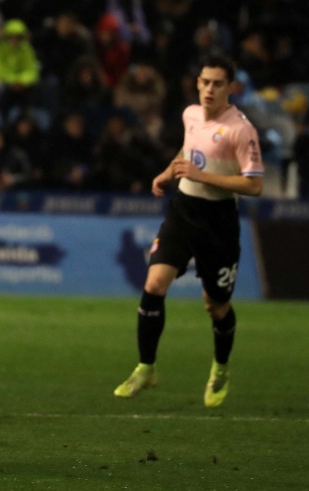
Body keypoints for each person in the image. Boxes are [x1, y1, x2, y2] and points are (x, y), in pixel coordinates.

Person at [113, 55, 264, 408]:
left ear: (230, 88)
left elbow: (254, 185)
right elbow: (189, 149)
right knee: (154, 285)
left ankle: (220, 368)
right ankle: (146, 368)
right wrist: (169, 172)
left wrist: (202, 176)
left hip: (218, 222)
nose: (209, 89)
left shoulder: (241, 130)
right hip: (183, 211)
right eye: (204, 82)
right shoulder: (191, 115)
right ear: (197, 83)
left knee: (216, 306)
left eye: (217, 83)